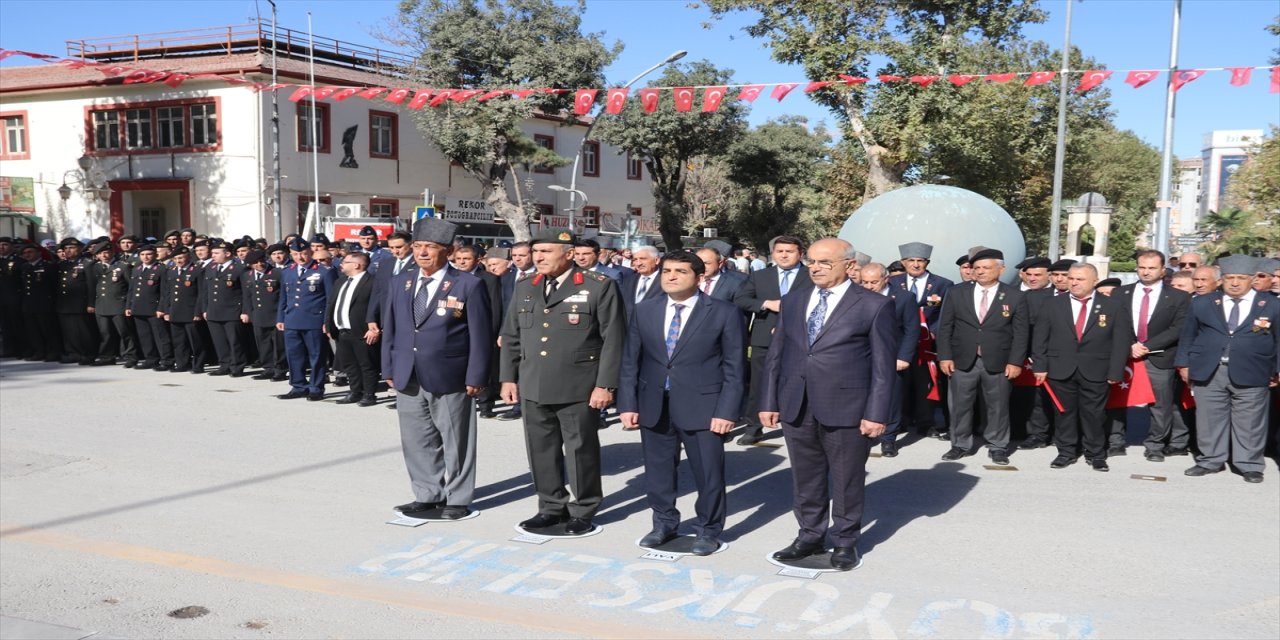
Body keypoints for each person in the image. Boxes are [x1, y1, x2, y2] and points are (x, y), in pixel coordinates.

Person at [760, 238, 896, 571]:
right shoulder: (793, 301)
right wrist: (769, 400)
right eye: (811, 262)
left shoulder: (873, 305)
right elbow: (777, 355)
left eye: (825, 263)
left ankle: (846, 541)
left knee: (847, 479)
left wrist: (876, 413)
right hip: (797, 403)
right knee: (805, 477)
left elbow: (883, 367)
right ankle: (809, 535)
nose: (816, 268)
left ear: (850, 266)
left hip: (848, 406)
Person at [618, 249, 745, 556]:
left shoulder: (723, 312)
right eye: (667, 271)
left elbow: (735, 366)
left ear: (700, 277)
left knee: (708, 472)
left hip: (704, 406)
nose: (671, 277)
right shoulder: (645, 309)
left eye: (680, 272)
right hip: (653, 403)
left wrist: (727, 410)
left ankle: (708, 529)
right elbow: (630, 361)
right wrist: (627, 404)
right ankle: (663, 523)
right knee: (659, 470)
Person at [499, 229, 624, 535]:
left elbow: (613, 339)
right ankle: (550, 506)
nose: (538, 258)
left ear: (569, 254)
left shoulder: (598, 286)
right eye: (536, 252)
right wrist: (507, 378)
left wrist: (605, 385)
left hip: (578, 385)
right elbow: (511, 336)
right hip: (533, 383)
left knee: (581, 449)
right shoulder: (526, 286)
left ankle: (583, 509)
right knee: (540, 449)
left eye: (546, 252)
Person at [383, 218, 493, 517]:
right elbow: (391, 330)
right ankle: (428, 493)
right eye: (417, 246)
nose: (422, 253)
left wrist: (476, 375)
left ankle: (457, 498)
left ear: (447, 250)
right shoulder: (400, 282)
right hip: (408, 372)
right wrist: (389, 368)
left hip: (451, 374)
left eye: (430, 247)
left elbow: (481, 336)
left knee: (456, 440)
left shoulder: (468, 284)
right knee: (416, 439)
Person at [1176, 255, 1279, 484]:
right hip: (1209, 369)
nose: (1234, 283)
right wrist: (1183, 364)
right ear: (1221, 279)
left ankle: (1249, 464)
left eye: (1241, 278)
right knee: (1209, 418)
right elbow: (1188, 335)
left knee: (1250, 421)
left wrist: (1277, 370)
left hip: (1253, 370)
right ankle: (1210, 460)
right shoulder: (1203, 302)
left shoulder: (1272, 304)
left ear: (1252, 279)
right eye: (1229, 278)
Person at [1032, 263, 1131, 472]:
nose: (1074, 283)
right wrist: (1040, 366)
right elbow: (1040, 338)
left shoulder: (1113, 306)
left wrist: (1115, 371)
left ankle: (1095, 453)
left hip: (1097, 368)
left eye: (1080, 279)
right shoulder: (1052, 304)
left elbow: (1120, 341)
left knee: (1094, 414)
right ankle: (1066, 452)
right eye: (1072, 278)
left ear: (1094, 281)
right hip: (1060, 367)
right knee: (1064, 413)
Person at [936, 249, 1029, 466]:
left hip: (998, 360)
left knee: (998, 405)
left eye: (986, 267)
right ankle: (960, 444)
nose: (980, 272)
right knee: (959, 404)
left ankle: (997, 446)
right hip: (962, 359)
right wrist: (945, 356)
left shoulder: (1015, 296)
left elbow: (1021, 333)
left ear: (1001, 269)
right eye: (976, 268)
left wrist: (1016, 361)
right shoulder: (957, 292)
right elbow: (945, 326)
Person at [1110, 250, 1192, 461]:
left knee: (1160, 404)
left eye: (1152, 268)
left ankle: (1155, 445)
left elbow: (1178, 327)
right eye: (1142, 267)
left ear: (1163, 270)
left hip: (1159, 357)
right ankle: (1116, 441)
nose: (1146, 272)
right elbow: (1116, 323)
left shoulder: (1178, 296)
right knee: (1118, 399)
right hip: (1125, 355)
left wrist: (1146, 346)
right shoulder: (1121, 293)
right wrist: (1129, 345)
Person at [733, 235, 809, 446]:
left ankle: (799, 423)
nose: (784, 255)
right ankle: (753, 427)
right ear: (773, 254)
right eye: (780, 251)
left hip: (801, 338)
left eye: (789, 251)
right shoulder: (761, 276)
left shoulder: (810, 275)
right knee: (759, 382)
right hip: (765, 336)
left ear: (800, 254)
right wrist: (766, 303)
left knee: (800, 380)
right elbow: (741, 299)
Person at [888, 242, 956, 440]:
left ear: (927, 262)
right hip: (900, 343)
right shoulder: (893, 282)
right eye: (911, 261)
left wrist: (933, 333)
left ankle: (926, 423)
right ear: (903, 262)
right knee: (899, 384)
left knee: (925, 384)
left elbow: (945, 315)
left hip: (928, 344)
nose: (916, 265)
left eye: (920, 261)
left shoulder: (943, 284)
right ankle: (900, 420)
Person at [858, 262, 918, 457]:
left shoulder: (904, 298)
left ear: (886, 279)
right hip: (861, 355)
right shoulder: (856, 294)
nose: (868, 286)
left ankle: (888, 438)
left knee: (891, 398)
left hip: (891, 356)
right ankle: (862, 435)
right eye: (864, 282)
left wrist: (904, 357)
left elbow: (911, 329)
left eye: (873, 282)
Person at [277, 237, 337, 401]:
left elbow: (330, 299)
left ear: (311, 252)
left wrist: (327, 322)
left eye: (303, 253)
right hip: (292, 320)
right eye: (296, 254)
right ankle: (298, 385)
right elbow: (283, 297)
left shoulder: (324, 271)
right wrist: (280, 317)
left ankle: (316, 387)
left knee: (316, 356)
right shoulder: (287, 271)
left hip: (314, 321)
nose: (300, 257)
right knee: (294, 355)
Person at [452, 244, 504, 419]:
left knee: (482, 366)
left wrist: (492, 331)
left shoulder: (489, 279)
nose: (461, 262)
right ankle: (464, 401)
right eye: (458, 259)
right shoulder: (452, 278)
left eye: (466, 259)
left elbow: (495, 307)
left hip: (482, 327)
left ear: (477, 260)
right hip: (459, 328)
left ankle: (485, 404)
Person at [326, 251, 380, 406]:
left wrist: (375, 328)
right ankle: (355, 391)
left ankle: (369, 394)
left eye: (345, 261)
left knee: (367, 364)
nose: (341, 264)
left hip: (362, 330)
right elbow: (332, 303)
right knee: (349, 364)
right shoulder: (341, 281)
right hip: (342, 330)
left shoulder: (372, 282)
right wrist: (329, 324)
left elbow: (378, 307)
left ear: (356, 265)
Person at [200, 240, 248, 376]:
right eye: (212, 253)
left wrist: (244, 311)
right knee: (219, 340)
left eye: (216, 253)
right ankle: (224, 364)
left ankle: (237, 366)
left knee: (235, 341)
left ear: (227, 253)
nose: (213, 255)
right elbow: (205, 291)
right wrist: (205, 309)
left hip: (232, 311)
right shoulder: (210, 268)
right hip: (214, 311)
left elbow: (245, 292)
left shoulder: (239, 269)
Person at [87, 241, 136, 367]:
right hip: (101, 305)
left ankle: (130, 356)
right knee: (105, 333)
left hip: (119, 304)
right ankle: (107, 356)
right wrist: (91, 304)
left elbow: (131, 287)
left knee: (124, 332)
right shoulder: (95, 267)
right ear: (97, 255)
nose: (104, 255)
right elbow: (92, 287)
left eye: (107, 252)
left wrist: (129, 305)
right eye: (100, 253)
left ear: (113, 253)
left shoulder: (123, 266)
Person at [241, 250, 288, 381]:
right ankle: (268, 368)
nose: (259, 264)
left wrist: (282, 315)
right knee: (263, 343)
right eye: (255, 262)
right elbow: (247, 296)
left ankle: (280, 369)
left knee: (278, 345)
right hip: (258, 315)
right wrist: (246, 312)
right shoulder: (247, 275)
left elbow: (283, 296)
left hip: (275, 314)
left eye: (262, 261)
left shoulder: (277, 273)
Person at [125, 245, 172, 371]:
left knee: (160, 336)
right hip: (138, 307)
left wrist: (162, 308)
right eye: (143, 254)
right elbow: (132, 289)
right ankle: (151, 359)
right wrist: (129, 306)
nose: (145, 257)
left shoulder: (162, 269)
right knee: (145, 336)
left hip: (154, 308)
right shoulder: (137, 269)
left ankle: (166, 360)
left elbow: (164, 292)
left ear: (155, 255)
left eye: (149, 254)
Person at [159, 247, 205, 373]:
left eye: (181, 258)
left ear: (188, 257)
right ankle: (182, 363)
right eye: (175, 258)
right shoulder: (171, 271)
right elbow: (167, 293)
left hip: (191, 312)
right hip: (175, 311)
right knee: (179, 341)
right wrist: (167, 311)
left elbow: (201, 293)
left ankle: (198, 365)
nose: (178, 261)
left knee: (195, 341)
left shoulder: (197, 270)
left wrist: (198, 312)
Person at [55, 238, 96, 365]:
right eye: (65, 248)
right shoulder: (62, 264)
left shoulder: (87, 263)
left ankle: (87, 354)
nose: (68, 250)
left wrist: (90, 303)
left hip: (80, 303)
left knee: (83, 331)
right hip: (65, 303)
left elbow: (91, 286)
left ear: (79, 249)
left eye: (71, 248)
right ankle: (73, 353)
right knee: (68, 331)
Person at [17, 244, 60, 361]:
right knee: (33, 331)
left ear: (39, 253)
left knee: (48, 330)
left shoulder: (48, 266)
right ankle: (39, 351)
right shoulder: (24, 267)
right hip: (29, 304)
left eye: (30, 252)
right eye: (25, 253)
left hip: (44, 304)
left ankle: (53, 352)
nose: (27, 255)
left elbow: (54, 285)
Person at [619, 246, 663, 319]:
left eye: (643, 259)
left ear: (657, 260)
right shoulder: (628, 281)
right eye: (635, 259)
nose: (638, 263)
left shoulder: (666, 281)